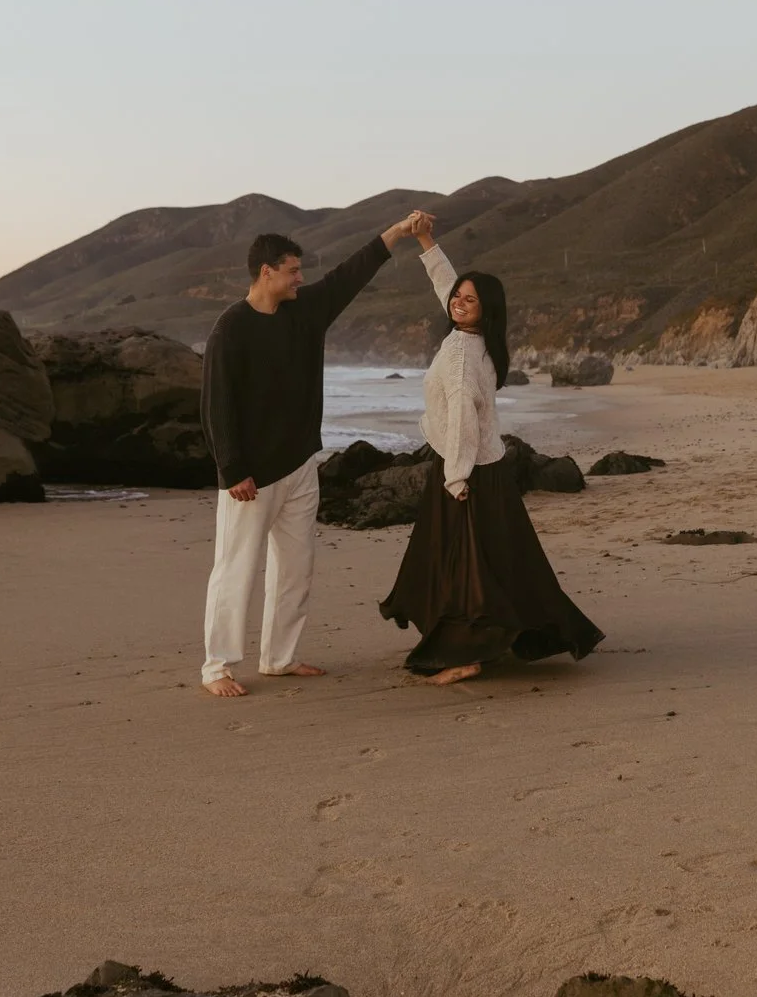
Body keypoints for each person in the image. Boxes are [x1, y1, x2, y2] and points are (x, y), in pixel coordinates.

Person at [199, 213, 426, 697]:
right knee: (236, 567)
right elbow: (216, 404)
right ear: (267, 272)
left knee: (296, 568)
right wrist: (232, 469)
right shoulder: (231, 328)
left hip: (301, 464)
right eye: (293, 270)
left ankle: (279, 657)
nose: (301, 278)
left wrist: (398, 232)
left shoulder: (306, 311)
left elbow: (353, 272)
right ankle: (216, 666)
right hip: (251, 477)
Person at [380, 214, 603, 683]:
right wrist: (425, 241)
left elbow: (462, 416)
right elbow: (447, 285)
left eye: (470, 301)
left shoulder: (461, 354)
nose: (459, 304)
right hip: (491, 468)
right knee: (505, 561)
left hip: (470, 472)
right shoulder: (480, 341)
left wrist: (456, 476)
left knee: (463, 568)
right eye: (458, 298)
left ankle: (467, 654)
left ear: (487, 309)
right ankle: (513, 638)